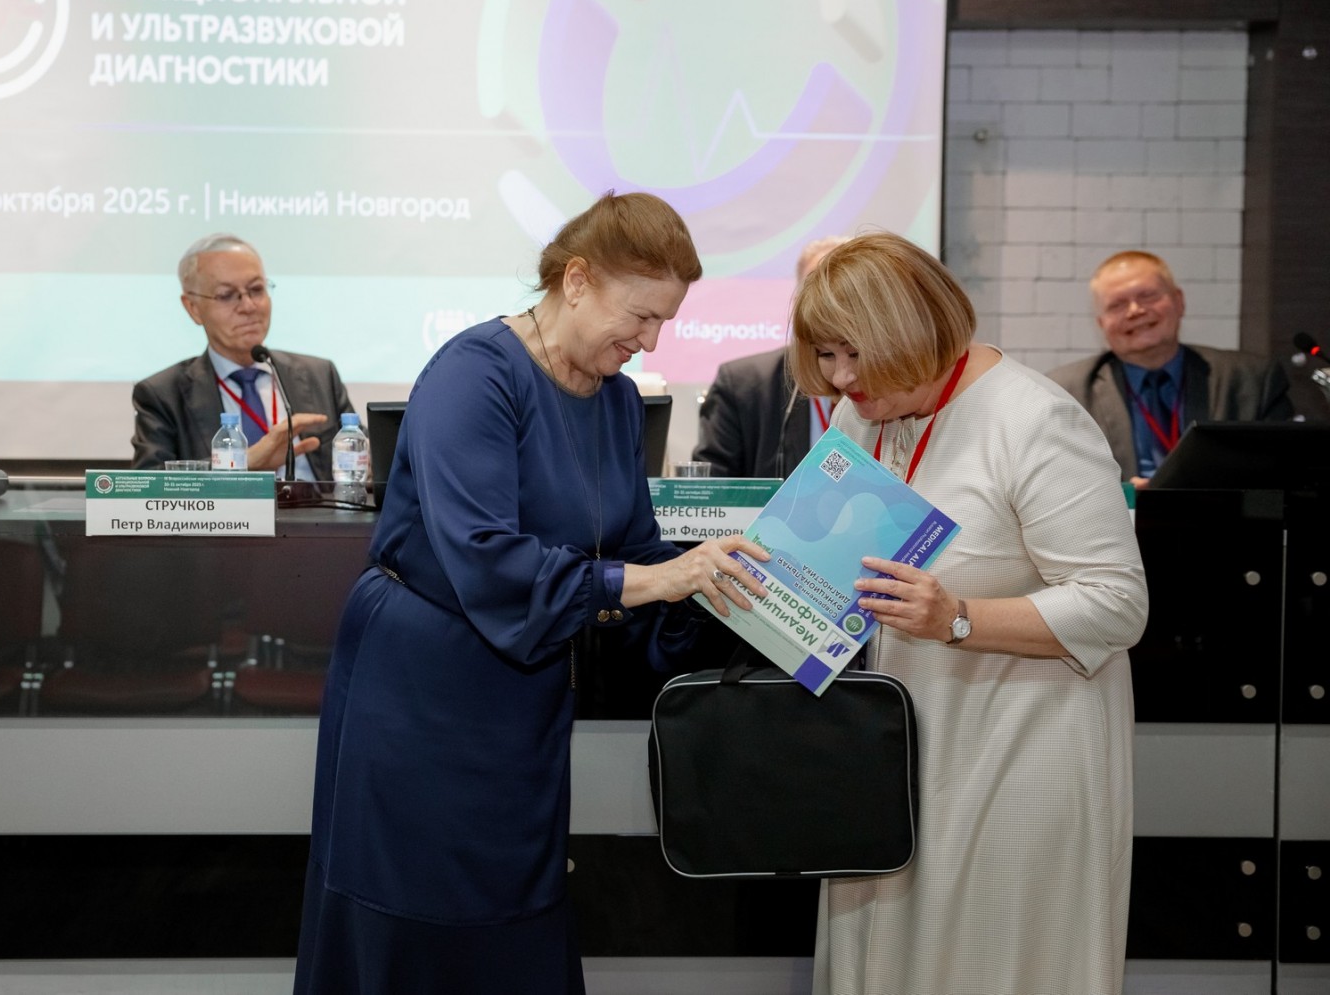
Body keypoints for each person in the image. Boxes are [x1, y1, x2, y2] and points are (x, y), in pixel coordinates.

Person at [294, 192, 769, 994]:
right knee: (417, 914)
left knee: (516, 914)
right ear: (576, 280)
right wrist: (657, 579)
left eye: (665, 323)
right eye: (641, 315)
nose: (651, 340)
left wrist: (719, 586)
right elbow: (486, 558)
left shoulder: (617, 399)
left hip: (524, 699)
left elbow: (632, 549)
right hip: (424, 691)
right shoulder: (473, 374)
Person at [789, 232, 1147, 995]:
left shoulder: (1034, 420)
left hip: (1017, 757)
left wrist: (957, 617)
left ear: (913, 333)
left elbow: (1118, 604)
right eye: (826, 354)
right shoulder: (863, 414)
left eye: (856, 353)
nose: (840, 377)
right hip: (894, 757)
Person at [1048, 249, 1295, 486]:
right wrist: (1123, 495)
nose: (1135, 311)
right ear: (1102, 323)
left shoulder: (1251, 379)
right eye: (1117, 305)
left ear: (1179, 302)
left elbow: (1279, 477)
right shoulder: (1064, 394)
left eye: (1147, 296)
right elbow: (1055, 483)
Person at [129, 233, 352, 474]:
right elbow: (148, 484)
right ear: (193, 308)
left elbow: (361, 455)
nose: (248, 306)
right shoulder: (162, 395)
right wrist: (246, 462)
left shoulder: (319, 375)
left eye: (256, 289)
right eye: (226, 295)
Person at [692, 235, 848, 477]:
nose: (827, 305)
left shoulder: (889, 389)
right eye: (815, 292)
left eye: (841, 293)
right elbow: (713, 488)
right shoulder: (743, 386)